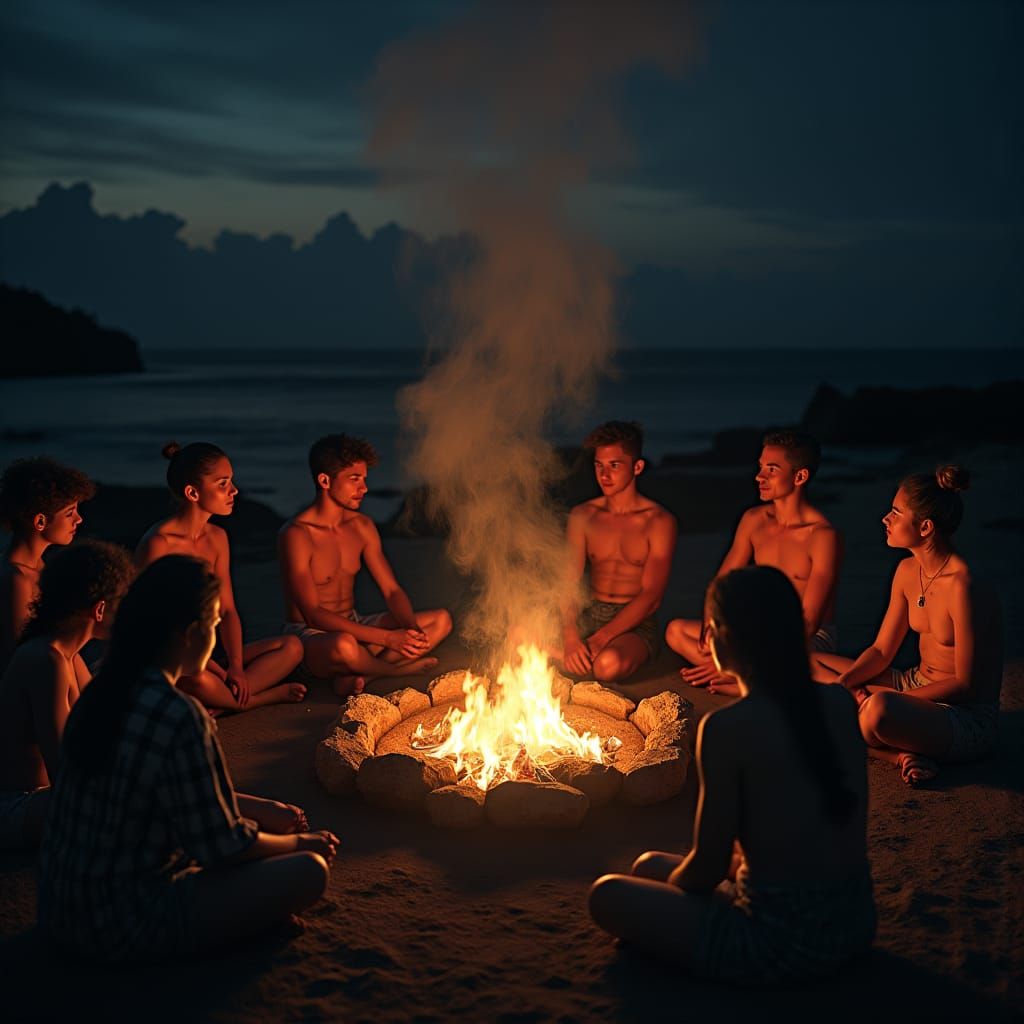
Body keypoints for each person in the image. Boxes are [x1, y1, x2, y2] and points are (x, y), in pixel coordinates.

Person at [38, 555, 338, 962]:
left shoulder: (101, 692)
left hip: (61, 911)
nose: (215, 634)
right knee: (309, 870)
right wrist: (300, 841)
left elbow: (172, 807)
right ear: (192, 634)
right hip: (121, 924)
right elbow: (220, 846)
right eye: (214, 625)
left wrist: (257, 814)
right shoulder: (179, 713)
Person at [589, 566, 875, 985]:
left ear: (723, 638)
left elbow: (707, 867)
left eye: (709, 627)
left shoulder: (726, 730)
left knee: (608, 895)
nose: (704, 639)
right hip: (853, 925)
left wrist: (675, 894)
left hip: (779, 942)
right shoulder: (839, 702)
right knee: (648, 864)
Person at [812, 465, 1001, 785]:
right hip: (912, 684)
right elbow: (882, 649)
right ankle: (900, 753)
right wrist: (846, 685)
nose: (886, 518)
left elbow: (967, 685)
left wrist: (867, 698)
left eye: (896, 513)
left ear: (925, 527)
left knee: (876, 710)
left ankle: (883, 737)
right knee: (805, 660)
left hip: (962, 716)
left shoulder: (965, 585)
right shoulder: (906, 571)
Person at [665, 429, 839, 697]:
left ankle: (744, 678)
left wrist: (736, 654)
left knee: (791, 661)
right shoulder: (754, 520)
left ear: (800, 476)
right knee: (676, 632)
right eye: (760, 467)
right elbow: (721, 583)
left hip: (805, 639)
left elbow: (809, 622)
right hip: (759, 627)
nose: (759, 477)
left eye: (772, 469)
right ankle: (747, 675)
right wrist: (712, 626)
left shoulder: (822, 535)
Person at [278, 433, 452, 697]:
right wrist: (388, 639)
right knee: (344, 645)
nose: (364, 488)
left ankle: (364, 672)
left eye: (364, 479)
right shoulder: (297, 534)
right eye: (354, 479)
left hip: (355, 624)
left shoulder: (362, 527)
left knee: (440, 621)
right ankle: (391, 669)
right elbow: (312, 613)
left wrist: (410, 631)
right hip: (314, 638)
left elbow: (391, 590)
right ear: (324, 480)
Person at [136, 442, 305, 712]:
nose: (234, 491)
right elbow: (152, 624)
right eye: (223, 483)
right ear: (192, 492)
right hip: (172, 655)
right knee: (199, 677)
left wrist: (236, 667)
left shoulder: (217, 538)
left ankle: (222, 700)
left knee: (293, 646)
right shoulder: (159, 544)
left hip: (211, 651)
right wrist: (213, 668)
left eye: (231, 482)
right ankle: (255, 699)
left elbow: (227, 610)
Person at [0, 540, 134, 848]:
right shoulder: (46, 659)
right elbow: (65, 770)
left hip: (48, 798)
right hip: (19, 805)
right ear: (100, 609)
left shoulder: (69, 656)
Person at [559, 421, 676, 684]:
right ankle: (576, 656)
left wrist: (600, 639)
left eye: (614, 465)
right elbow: (568, 581)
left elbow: (652, 597)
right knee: (519, 636)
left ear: (637, 467)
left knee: (607, 666)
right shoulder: (583, 515)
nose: (604, 474)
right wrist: (569, 636)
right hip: (590, 611)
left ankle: (578, 661)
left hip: (634, 621)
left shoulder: (658, 521)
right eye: (599, 465)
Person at [0, 457, 95, 671]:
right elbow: (23, 657)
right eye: (69, 513)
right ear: (40, 521)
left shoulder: (39, 567)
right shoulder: (16, 579)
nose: (79, 519)